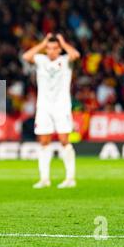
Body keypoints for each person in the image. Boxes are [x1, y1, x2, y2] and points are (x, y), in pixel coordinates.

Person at [22, 33, 80, 189]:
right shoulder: (41, 60)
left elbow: (75, 54)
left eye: (55, 48)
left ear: (59, 50)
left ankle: (70, 178)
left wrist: (63, 41)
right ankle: (44, 179)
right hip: (44, 106)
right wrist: (42, 43)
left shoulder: (65, 60)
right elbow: (26, 56)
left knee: (64, 140)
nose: (51, 51)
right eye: (49, 48)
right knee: (44, 142)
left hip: (61, 106)